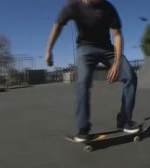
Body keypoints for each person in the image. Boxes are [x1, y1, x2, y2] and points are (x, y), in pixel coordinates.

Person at [45, 0, 140, 142]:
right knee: (82, 83)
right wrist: (49, 49)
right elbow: (58, 25)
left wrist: (117, 63)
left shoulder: (108, 7)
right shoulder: (73, 6)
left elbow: (117, 35)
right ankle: (83, 129)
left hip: (107, 49)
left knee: (130, 77)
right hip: (85, 49)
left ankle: (124, 120)